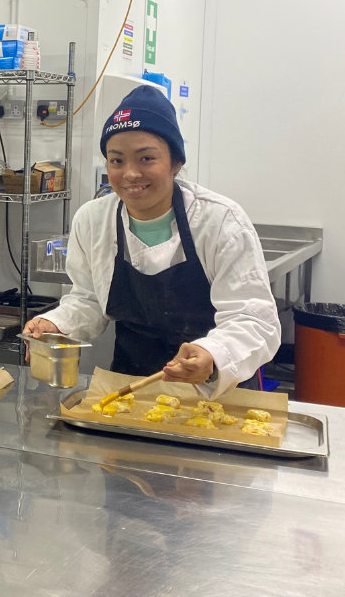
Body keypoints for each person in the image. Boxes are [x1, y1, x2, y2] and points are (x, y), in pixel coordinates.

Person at [24, 85, 279, 396]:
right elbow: (89, 299)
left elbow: (253, 318)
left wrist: (214, 354)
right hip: (129, 390)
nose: (130, 173)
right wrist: (56, 323)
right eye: (116, 161)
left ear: (175, 163)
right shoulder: (94, 220)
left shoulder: (220, 221)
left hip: (214, 392)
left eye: (146, 158)